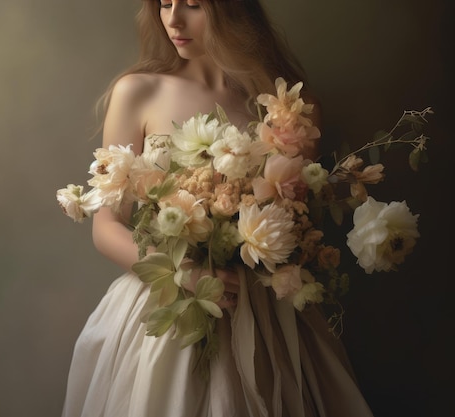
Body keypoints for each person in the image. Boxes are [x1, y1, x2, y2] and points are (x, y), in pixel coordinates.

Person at [61, 1, 374, 416]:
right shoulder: (138, 92)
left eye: (192, 4)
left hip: (262, 312)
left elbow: (293, 224)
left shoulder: (288, 107)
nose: (172, 19)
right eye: (165, 3)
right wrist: (182, 272)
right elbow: (106, 226)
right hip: (166, 302)